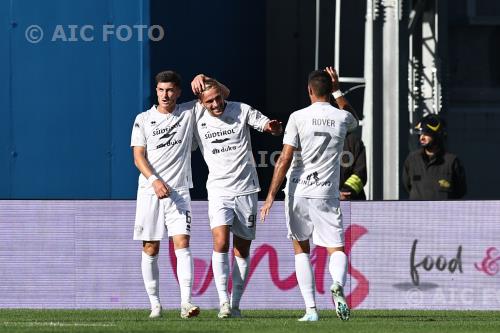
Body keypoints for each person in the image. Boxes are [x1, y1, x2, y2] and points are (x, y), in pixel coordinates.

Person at [260, 67, 358, 321]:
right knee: (336, 248)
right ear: (329, 89)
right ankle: (337, 283)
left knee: (301, 249)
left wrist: (271, 194)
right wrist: (338, 89)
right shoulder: (341, 117)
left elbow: (284, 158)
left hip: (299, 190)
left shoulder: (298, 116)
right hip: (326, 191)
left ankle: (311, 310)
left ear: (309, 90)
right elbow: (354, 118)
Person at [130, 71, 228, 319]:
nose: (165, 95)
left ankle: (186, 302)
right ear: (156, 91)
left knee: (182, 244)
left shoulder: (188, 112)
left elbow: (223, 95)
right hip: (150, 191)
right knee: (151, 247)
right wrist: (154, 181)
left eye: (170, 90)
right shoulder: (143, 119)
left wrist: (207, 78)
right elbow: (138, 156)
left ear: (179, 92)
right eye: (161, 90)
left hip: (179, 191)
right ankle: (155, 305)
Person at [192, 78, 282, 318]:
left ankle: (235, 305)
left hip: (246, 189)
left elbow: (263, 123)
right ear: (201, 103)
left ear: (223, 95)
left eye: (218, 98)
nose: (215, 104)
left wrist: (271, 127)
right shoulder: (196, 117)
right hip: (219, 190)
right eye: (209, 101)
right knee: (220, 242)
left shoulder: (240, 109)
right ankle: (223, 302)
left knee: (241, 250)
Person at [402, 114, 466, 200]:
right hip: (417, 212)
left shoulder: (452, 161)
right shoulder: (412, 160)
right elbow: (407, 186)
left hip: (443, 213)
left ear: (437, 135)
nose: (422, 137)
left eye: (426, 134)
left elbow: (460, 191)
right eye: (420, 134)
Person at [339, 132, 367, 200]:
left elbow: (360, 175)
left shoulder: (353, 140)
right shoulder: (353, 140)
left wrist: (345, 192)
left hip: (350, 201)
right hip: (322, 201)